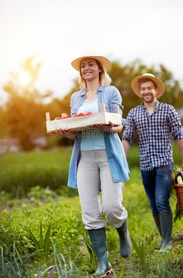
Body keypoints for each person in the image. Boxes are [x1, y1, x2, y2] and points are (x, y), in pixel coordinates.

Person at [55, 50, 132, 277]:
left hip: (108, 155)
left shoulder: (110, 91)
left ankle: (122, 230)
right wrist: (63, 131)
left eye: (91, 64)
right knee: (89, 210)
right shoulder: (75, 97)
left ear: (100, 69)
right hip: (85, 158)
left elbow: (118, 123)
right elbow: (75, 130)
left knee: (111, 207)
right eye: (83, 66)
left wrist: (110, 126)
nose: (86, 68)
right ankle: (104, 263)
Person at [122, 73, 183, 251]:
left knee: (162, 201)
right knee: (153, 204)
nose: (146, 91)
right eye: (143, 88)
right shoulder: (133, 113)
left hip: (164, 163)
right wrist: (121, 162)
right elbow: (127, 138)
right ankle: (164, 237)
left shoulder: (168, 110)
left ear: (156, 90)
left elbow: (179, 135)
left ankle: (167, 243)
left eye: (149, 88)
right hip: (145, 165)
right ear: (140, 92)